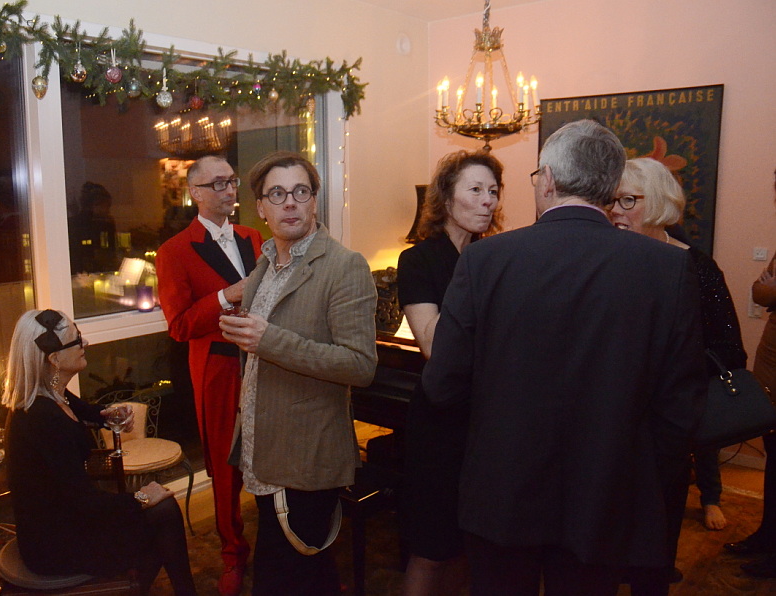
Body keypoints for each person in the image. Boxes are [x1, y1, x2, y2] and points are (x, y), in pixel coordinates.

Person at [421, 120, 707, 596]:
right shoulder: (667, 267)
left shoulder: (485, 260)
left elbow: (443, 383)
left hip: (503, 490)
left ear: (548, 180)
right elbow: (680, 406)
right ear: (611, 188)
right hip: (607, 494)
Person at [219, 151, 377, 596]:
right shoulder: (265, 264)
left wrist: (267, 339)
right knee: (301, 574)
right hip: (263, 449)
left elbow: (360, 365)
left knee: (286, 577)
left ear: (314, 202)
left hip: (307, 454)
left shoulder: (344, 266)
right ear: (261, 208)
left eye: (300, 192)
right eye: (277, 194)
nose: (289, 202)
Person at [608, 157, 746, 593]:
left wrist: (665, 373)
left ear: (659, 204)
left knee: (654, 541)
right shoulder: (605, 261)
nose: (615, 211)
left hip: (664, 430)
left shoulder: (696, 267)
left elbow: (729, 351)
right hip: (608, 425)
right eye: (611, 201)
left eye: (628, 201)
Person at [3, 309, 197, 595]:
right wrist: (143, 496)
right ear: (54, 359)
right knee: (163, 515)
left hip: (66, 520)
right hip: (55, 544)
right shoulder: (41, 419)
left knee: (161, 513)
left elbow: (87, 411)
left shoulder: (52, 391)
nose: (86, 343)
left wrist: (109, 415)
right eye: (76, 340)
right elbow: (84, 502)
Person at [396, 149, 504, 596]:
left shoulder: (495, 257)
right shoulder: (419, 260)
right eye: (475, 189)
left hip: (487, 420)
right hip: (440, 422)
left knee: (469, 544)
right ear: (446, 197)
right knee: (432, 546)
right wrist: (470, 273)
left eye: (493, 191)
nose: (487, 201)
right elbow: (434, 348)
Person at [156, 155, 262, 596]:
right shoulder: (174, 251)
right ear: (194, 193)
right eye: (217, 183)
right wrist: (226, 296)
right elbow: (179, 325)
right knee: (223, 465)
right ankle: (233, 553)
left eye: (231, 181)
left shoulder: (254, 237)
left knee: (270, 453)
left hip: (265, 360)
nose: (228, 190)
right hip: (217, 369)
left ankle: (280, 543)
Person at [725, 168, 776, 578]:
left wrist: (769, 288)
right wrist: (768, 288)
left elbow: (767, 289)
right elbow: (760, 291)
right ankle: (766, 536)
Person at [68, 181, 119, 273]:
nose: (108, 211)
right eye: (106, 206)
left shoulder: (106, 223)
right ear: (95, 205)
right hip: (84, 272)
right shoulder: (103, 224)